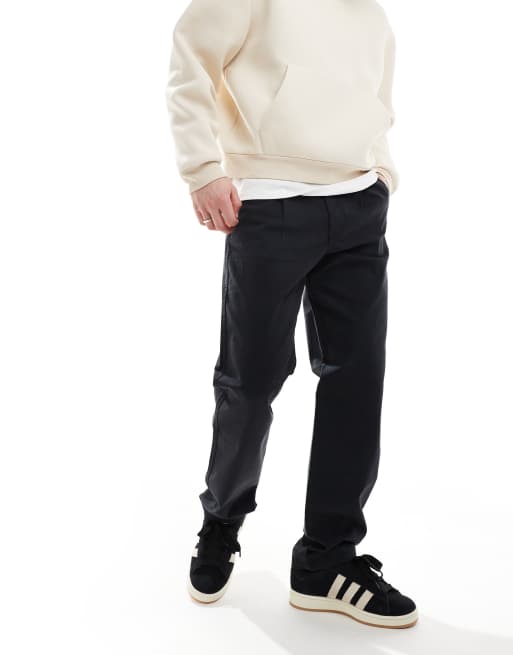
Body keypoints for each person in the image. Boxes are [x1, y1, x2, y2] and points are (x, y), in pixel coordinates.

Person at [165, 0, 418, 629]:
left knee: (357, 384)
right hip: (270, 206)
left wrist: (381, 174)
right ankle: (221, 520)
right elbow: (190, 60)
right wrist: (202, 169)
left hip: (358, 206)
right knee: (250, 383)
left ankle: (327, 559)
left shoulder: (371, 12)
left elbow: (376, 96)